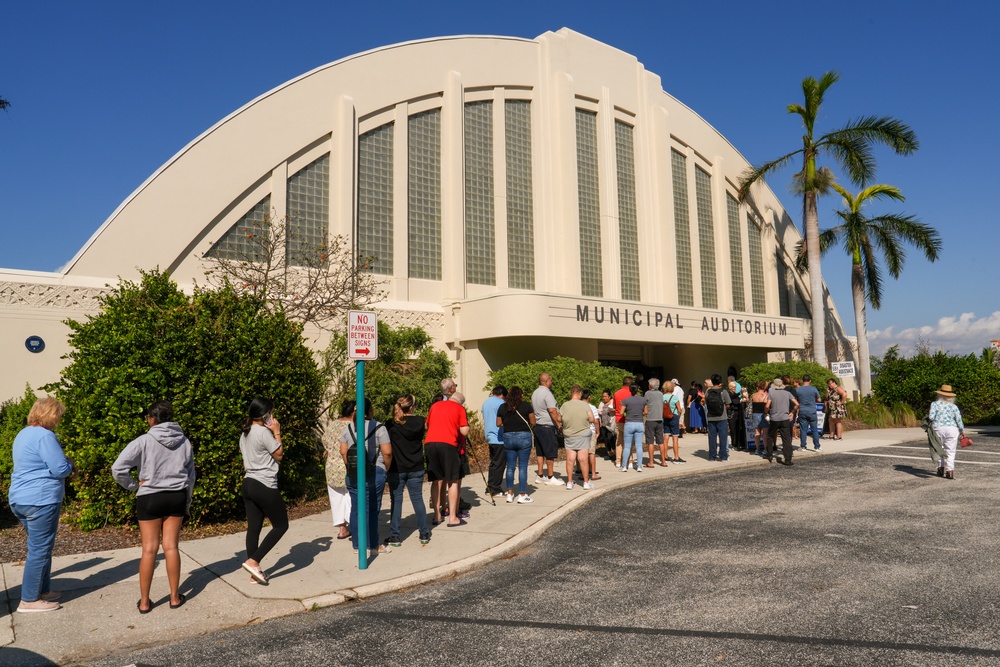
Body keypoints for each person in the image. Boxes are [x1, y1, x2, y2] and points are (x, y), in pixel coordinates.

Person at [112, 400, 195, 613]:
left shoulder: (143, 441)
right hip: (176, 496)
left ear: (152, 418)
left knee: (149, 549)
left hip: (149, 497)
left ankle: (145, 602)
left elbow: (118, 468)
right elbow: (190, 476)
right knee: (171, 547)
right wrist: (187, 501)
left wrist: (133, 485)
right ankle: (175, 598)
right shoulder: (184, 441)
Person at [8, 397, 73, 613]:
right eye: (58, 416)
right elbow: (60, 469)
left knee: (41, 546)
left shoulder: (23, 434)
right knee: (40, 549)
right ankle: (29, 599)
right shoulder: (45, 436)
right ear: (51, 415)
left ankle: (42, 590)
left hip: (20, 498)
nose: (59, 421)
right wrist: (71, 463)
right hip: (41, 499)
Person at [239, 398, 288, 583]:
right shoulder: (262, 432)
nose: (273, 416)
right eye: (271, 412)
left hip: (248, 482)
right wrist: (277, 432)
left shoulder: (245, 433)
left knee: (254, 528)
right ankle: (253, 561)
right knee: (281, 525)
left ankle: (254, 573)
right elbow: (279, 454)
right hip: (264, 483)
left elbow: (246, 461)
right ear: (265, 414)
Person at [340, 398, 393, 555]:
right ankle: (373, 545)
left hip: (353, 474)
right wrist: (385, 469)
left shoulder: (348, 428)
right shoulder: (379, 427)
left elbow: (343, 451)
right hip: (374, 472)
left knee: (356, 509)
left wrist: (351, 467)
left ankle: (357, 544)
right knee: (371, 509)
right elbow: (387, 452)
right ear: (370, 410)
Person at [385, 394, 429, 547]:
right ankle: (424, 533)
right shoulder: (420, 421)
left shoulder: (390, 424)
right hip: (415, 466)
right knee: (417, 499)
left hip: (396, 468)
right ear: (412, 407)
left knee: (396, 501)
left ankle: (395, 536)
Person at [424, 389, 470, 526]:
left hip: (430, 443)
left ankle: (437, 516)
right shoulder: (459, 408)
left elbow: (427, 425)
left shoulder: (435, 406)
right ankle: (453, 517)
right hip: (448, 444)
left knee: (436, 479)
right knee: (452, 480)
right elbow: (464, 431)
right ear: (461, 402)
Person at [496, 386, 535, 503]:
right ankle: (522, 494)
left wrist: (508, 425)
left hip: (508, 437)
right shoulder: (526, 406)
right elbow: (533, 422)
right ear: (521, 395)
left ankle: (510, 493)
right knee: (522, 467)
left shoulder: (503, 407)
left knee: (510, 467)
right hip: (524, 436)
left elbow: (498, 423)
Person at [323, 399, 354, 541]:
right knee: (350, 496)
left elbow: (324, 441)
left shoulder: (332, 425)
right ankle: (353, 525)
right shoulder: (352, 426)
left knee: (336, 498)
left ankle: (342, 529)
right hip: (346, 465)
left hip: (331, 465)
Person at [560, 384, 596, 490]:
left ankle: (570, 482)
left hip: (569, 435)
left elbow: (559, 418)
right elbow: (592, 418)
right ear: (580, 393)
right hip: (583, 434)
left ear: (571, 393)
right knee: (583, 459)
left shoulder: (565, 405)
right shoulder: (585, 405)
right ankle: (585, 482)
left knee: (570, 459)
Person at [531, 373, 563, 485]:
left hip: (538, 426)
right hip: (547, 427)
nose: (552, 382)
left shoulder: (535, 393)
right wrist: (559, 424)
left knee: (540, 452)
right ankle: (550, 476)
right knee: (550, 452)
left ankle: (540, 475)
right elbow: (552, 411)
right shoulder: (547, 393)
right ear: (546, 381)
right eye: (551, 380)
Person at [929, 384, 965, 480]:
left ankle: (940, 468)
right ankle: (950, 471)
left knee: (939, 448)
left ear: (940, 394)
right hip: (952, 429)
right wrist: (961, 431)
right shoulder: (954, 407)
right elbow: (959, 420)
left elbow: (931, 417)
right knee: (951, 451)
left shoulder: (935, 404)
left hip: (938, 428)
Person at [481, 385, 507, 498]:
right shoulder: (501, 404)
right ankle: (495, 488)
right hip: (499, 437)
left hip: (489, 436)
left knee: (493, 463)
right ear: (502, 395)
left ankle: (490, 486)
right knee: (499, 464)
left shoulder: (486, 403)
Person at [765, 379, 799, 465]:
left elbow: (767, 405)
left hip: (775, 418)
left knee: (770, 436)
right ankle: (788, 459)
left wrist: (766, 412)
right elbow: (797, 404)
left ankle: (769, 454)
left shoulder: (771, 393)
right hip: (785, 418)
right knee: (786, 439)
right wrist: (792, 413)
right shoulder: (787, 393)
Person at [619, 384, 647, 472]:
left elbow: (621, 412)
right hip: (639, 423)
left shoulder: (626, 400)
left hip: (629, 423)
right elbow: (646, 412)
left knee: (627, 446)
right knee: (639, 446)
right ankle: (639, 466)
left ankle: (624, 466)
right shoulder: (643, 400)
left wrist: (628, 413)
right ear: (638, 390)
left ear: (630, 390)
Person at [705, 374, 731, 462]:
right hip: (722, 417)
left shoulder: (708, 391)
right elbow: (728, 404)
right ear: (720, 382)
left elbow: (706, 402)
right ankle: (723, 456)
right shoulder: (724, 391)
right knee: (723, 437)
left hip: (711, 417)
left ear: (712, 382)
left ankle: (712, 456)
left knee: (712, 438)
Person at [796, 375, 822, 452]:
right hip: (812, 411)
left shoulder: (798, 390)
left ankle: (803, 446)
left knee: (803, 429)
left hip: (802, 410)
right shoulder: (814, 389)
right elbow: (819, 399)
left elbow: (795, 400)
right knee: (814, 429)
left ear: (802, 380)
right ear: (810, 381)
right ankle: (817, 446)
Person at [643, 378, 665, 467]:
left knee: (650, 442)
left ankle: (651, 462)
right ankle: (663, 461)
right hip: (659, 419)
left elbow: (645, 404)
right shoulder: (660, 394)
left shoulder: (648, 393)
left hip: (650, 419)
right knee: (660, 441)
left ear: (650, 385)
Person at [581, 389, 602, 482]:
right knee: (591, 452)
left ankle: (583, 473)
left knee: (582, 452)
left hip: (580, 431)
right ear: (588, 397)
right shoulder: (592, 407)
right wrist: (598, 431)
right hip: (591, 431)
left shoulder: (578, 406)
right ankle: (593, 473)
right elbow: (596, 421)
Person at [662, 380, 685, 464]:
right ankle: (676, 457)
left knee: (666, 437)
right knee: (675, 438)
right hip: (674, 417)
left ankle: (665, 456)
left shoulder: (662, 397)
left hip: (665, 417)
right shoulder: (674, 397)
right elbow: (679, 409)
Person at [613, 376, 633, 465]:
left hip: (619, 419)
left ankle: (618, 461)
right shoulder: (631, 393)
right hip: (629, 420)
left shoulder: (616, 393)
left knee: (619, 441)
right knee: (629, 441)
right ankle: (629, 461)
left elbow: (614, 406)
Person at [727, 380, 747, 451]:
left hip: (738, 413)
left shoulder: (735, 394)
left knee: (738, 428)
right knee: (732, 429)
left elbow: (738, 399)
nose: (734, 389)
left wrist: (743, 399)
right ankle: (733, 443)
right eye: (733, 387)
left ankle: (739, 443)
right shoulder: (729, 393)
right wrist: (739, 393)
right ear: (730, 387)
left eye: (735, 387)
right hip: (732, 413)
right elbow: (732, 399)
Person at [598, 390, 617, 462]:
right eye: (603, 396)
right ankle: (609, 453)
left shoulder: (613, 402)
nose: (604, 398)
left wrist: (612, 410)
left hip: (611, 424)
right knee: (605, 439)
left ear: (609, 396)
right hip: (603, 423)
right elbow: (599, 410)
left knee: (610, 438)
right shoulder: (601, 403)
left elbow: (617, 410)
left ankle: (615, 452)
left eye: (605, 396)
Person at [750, 380, 769, 455]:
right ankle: (765, 448)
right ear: (764, 387)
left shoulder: (753, 395)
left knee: (757, 433)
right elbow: (767, 406)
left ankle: (757, 449)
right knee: (765, 433)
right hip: (763, 414)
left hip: (755, 414)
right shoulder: (765, 395)